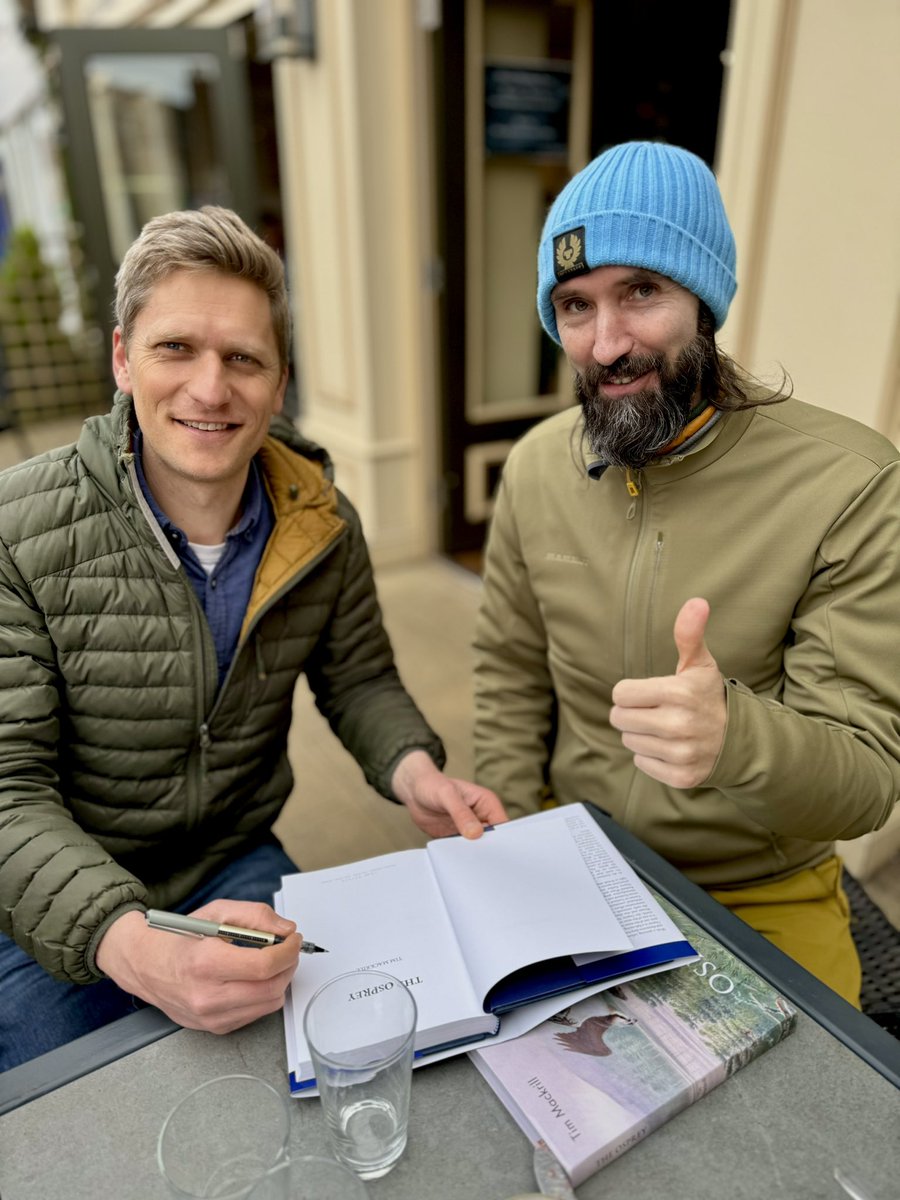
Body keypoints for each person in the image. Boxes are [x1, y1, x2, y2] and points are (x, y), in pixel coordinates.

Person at [0, 206, 505, 1071]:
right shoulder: (17, 532)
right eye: (175, 349)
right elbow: (7, 793)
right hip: (52, 887)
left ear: (279, 383)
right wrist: (130, 945)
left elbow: (360, 680)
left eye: (243, 358)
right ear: (122, 359)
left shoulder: (321, 523)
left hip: (232, 859)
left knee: (327, 1068)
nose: (210, 388)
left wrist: (411, 769)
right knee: (80, 1119)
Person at [473, 141, 900, 1007]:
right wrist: (510, 823)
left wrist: (734, 739)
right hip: (576, 857)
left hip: (764, 887)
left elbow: (866, 782)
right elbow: (510, 671)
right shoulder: (532, 467)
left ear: (704, 298)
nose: (608, 342)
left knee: (803, 1127)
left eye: (642, 292)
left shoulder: (850, 483)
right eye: (575, 305)